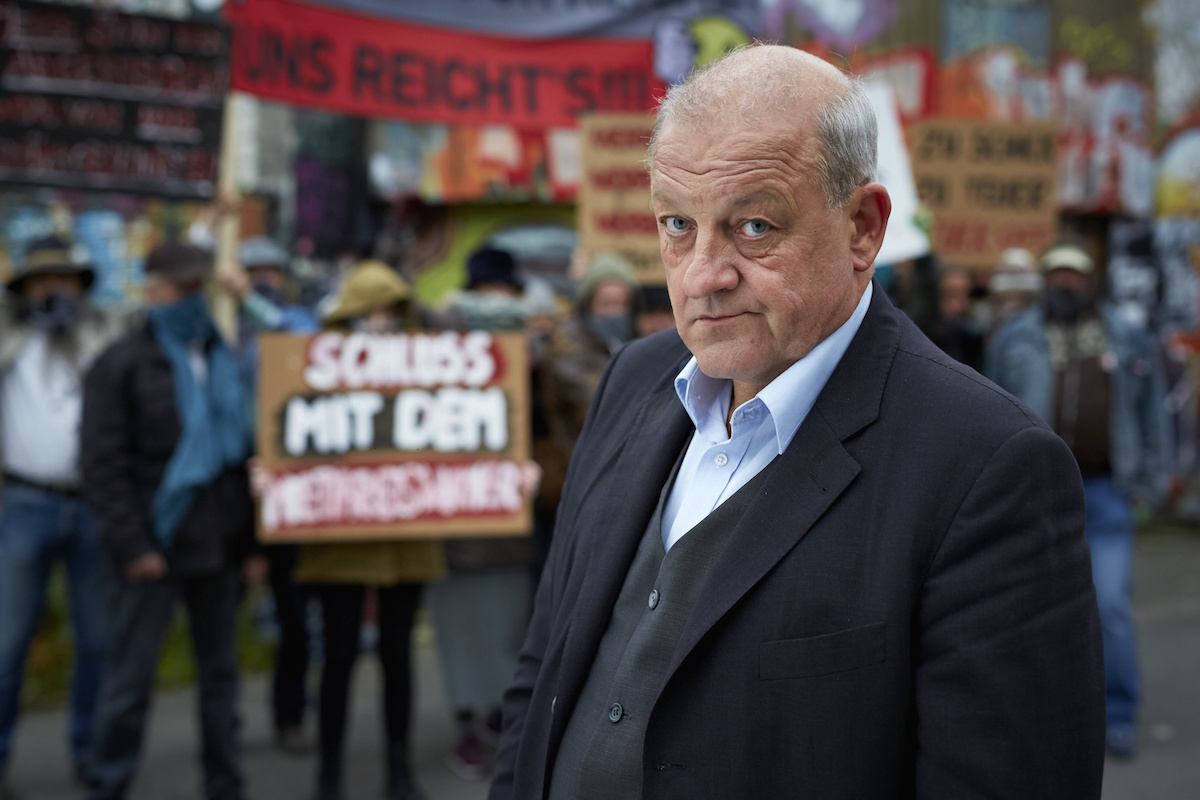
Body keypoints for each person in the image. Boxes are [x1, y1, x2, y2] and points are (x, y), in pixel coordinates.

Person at [490, 45, 1104, 800]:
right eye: (677, 224)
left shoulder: (989, 468)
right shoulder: (632, 381)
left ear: (863, 229)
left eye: (753, 227)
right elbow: (544, 667)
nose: (702, 274)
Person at [81, 241, 259, 800]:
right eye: (179, 289)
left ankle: (224, 785)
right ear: (152, 292)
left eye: (196, 288)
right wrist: (135, 546)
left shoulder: (222, 356)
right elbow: (102, 467)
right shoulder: (121, 364)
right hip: (151, 549)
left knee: (220, 683)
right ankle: (109, 783)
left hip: (218, 548)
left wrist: (249, 544)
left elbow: (241, 459)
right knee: (128, 685)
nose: (190, 299)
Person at [988, 243, 1169, 759]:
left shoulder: (1126, 335)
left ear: (1089, 282)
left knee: (1109, 604)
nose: (1065, 285)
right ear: (1044, 280)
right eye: (1056, 276)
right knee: (1026, 605)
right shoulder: (1018, 336)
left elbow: (1151, 408)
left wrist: (1153, 478)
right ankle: (1035, 712)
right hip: (1034, 494)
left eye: (1074, 277)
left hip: (1107, 491)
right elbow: (988, 405)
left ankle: (1118, 713)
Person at [291, 259, 444, 800]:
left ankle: (399, 770)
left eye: (390, 312)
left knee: (398, 656)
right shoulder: (312, 367)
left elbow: (460, 428)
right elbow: (290, 431)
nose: (380, 322)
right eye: (369, 312)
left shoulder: (428, 363)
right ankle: (328, 774)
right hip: (340, 538)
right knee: (336, 655)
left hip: (406, 536)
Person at [0, 236, 125, 799]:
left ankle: (89, 755)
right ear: (25, 290)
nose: (54, 289)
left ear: (81, 285)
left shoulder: (102, 337)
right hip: (25, 505)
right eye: (42, 280)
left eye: (64, 279)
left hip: (92, 507)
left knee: (98, 642)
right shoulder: (10, 340)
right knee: (6, 644)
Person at [429, 247, 537, 780]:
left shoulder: (536, 346)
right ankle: (468, 729)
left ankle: (496, 724)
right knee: (461, 633)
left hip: (508, 519)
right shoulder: (433, 345)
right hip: (455, 519)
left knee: (509, 633)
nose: (499, 302)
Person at [220, 236, 319, 754]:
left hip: (284, 478)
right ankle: (223, 722)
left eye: (269, 272)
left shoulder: (297, 320)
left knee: (293, 613)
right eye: (250, 271)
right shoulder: (221, 325)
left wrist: (248, 301)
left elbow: (295, 346)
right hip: (230, 482)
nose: (261, 279)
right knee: (220, 612)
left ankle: (289, 715)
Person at [926, 265, 984, 371]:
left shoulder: (976, 333)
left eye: (962, 295)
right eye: (950, 295)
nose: (956, 305)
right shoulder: (925, 330)